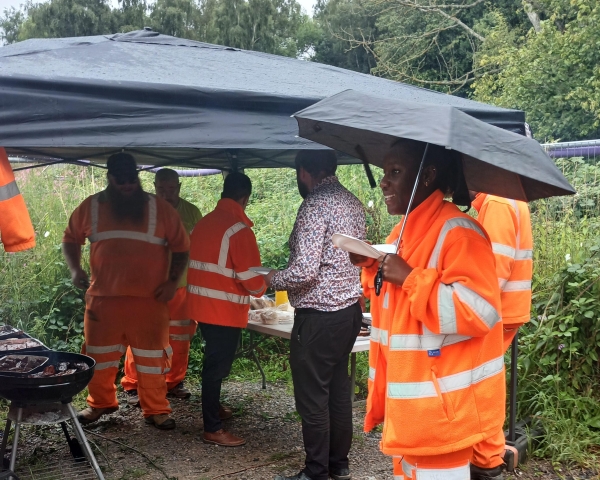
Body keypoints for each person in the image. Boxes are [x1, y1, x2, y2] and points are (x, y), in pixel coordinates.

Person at [349, 139, 505, 480]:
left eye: (395, 172)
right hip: (413, 413)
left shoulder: (460, 234)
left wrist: (410, 277)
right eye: (383, 172)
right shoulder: (403, 231)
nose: (384, 182)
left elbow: (480, 313)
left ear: (428, 175)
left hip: (442, 415)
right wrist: (373, 266)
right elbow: (393, 305)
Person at [62, 153, 189, 430]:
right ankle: (99, 404)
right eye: (121, 181)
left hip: (149, 302)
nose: (128, 186)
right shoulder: (92, 207)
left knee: (152, 359)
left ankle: (156, 409)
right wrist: (75, 270)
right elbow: (71, 238)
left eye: (133, 180)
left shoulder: (159, 209)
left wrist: (171, 282)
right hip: (103, 302)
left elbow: (181, 247)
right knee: (98, 356)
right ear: (109, 179)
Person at [265, 150, 366, 480]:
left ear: (304, 171)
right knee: (337, 392)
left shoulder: (314, 205)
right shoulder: (352, 202)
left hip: (319, 317)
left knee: (312, 398)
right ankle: (339, 465)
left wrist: (272, 277)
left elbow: (304, 271)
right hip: (349, 313)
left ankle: (315, 472)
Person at [187, 172, 266, 447]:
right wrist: (262, 289)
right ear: (245, 198)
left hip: (202, 307)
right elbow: (250, 277)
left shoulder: (203, 223)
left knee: (213, 363)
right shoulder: (238, 229)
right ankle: (213, 427)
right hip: (223, 311)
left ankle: (214, 410)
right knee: (215, 369)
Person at [122, 168, 203, 403]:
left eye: (171, 189)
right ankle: (134, 383)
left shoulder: (192, 212)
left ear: (178, 187)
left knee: (180, 337)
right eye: (161, 189)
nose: (166, 194)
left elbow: (199, 247)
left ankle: (173, 381)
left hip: (182, 286)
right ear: (154, 187)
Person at [470, 192, 533, 480]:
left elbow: (492, 271)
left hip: (496, 311)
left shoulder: (496, 204)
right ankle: (487, 455)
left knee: (482, 385)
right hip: (505, 308)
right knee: (486, 381)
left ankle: (486, 461)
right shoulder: (507, 198)